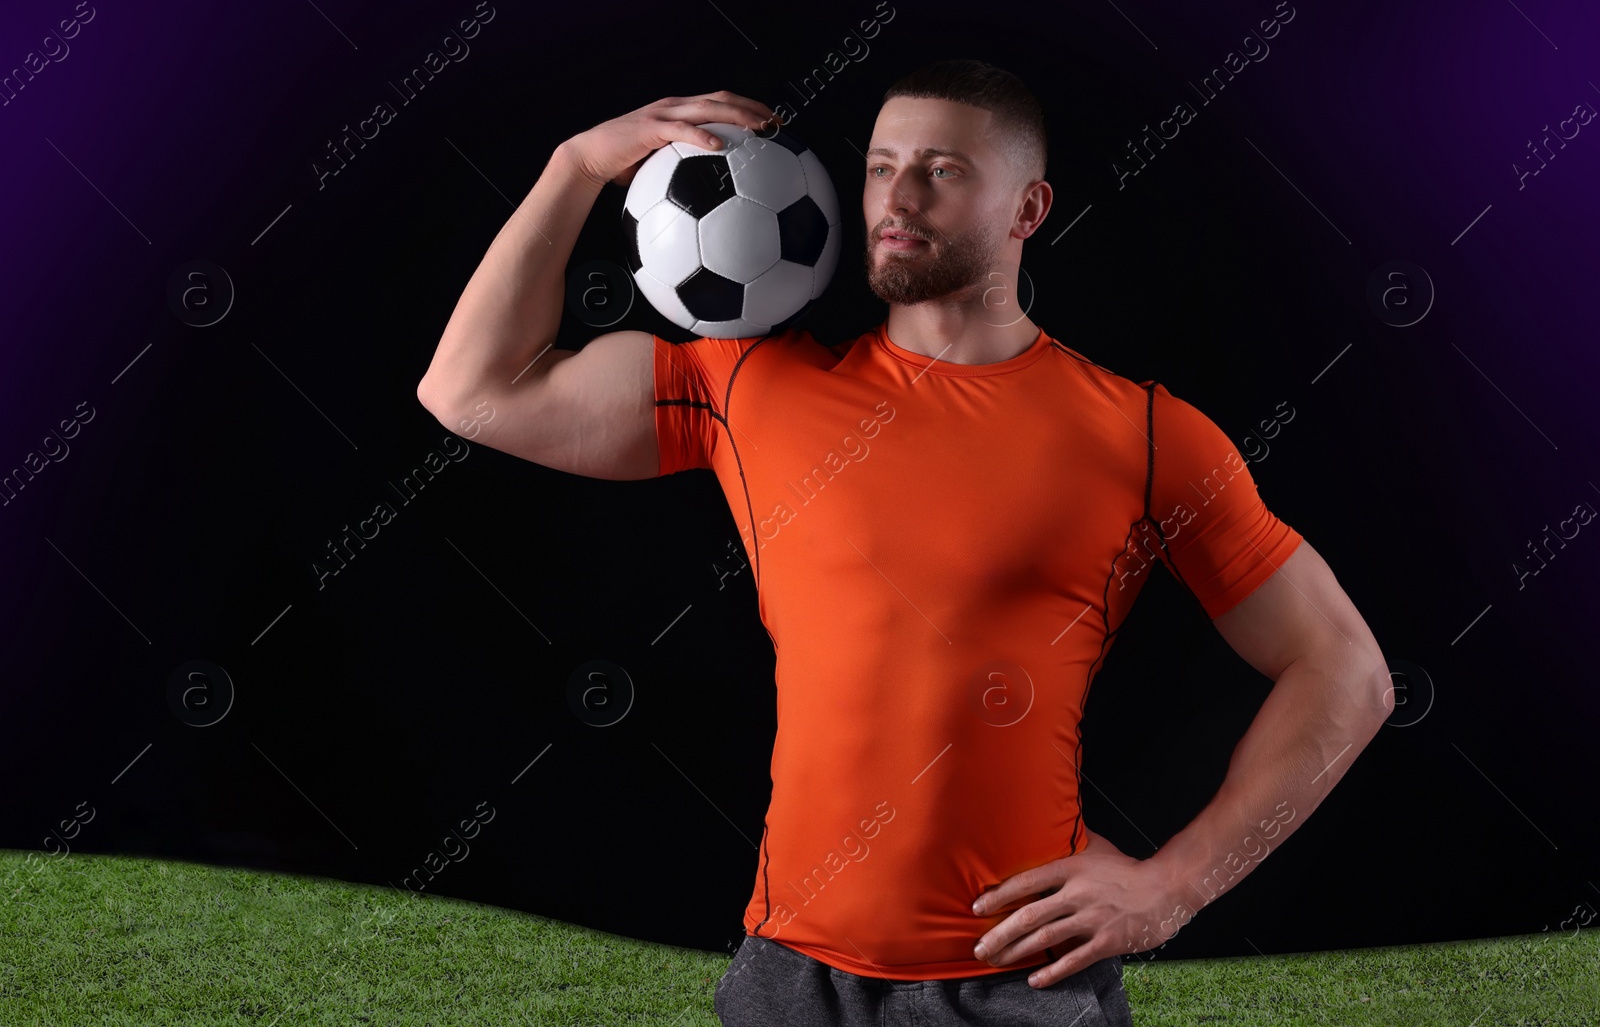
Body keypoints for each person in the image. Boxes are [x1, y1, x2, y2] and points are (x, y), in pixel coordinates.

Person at [418, 59, 1395, 1027]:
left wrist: (1172, 885)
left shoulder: (1141, 434)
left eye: (942, 169)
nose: (898, 195)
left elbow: (1345, 670)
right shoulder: (752, 385)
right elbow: (470, 389)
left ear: (1028, 209)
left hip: (1020, 984)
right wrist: (574, 168)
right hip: (785, 978)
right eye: (882, 166)